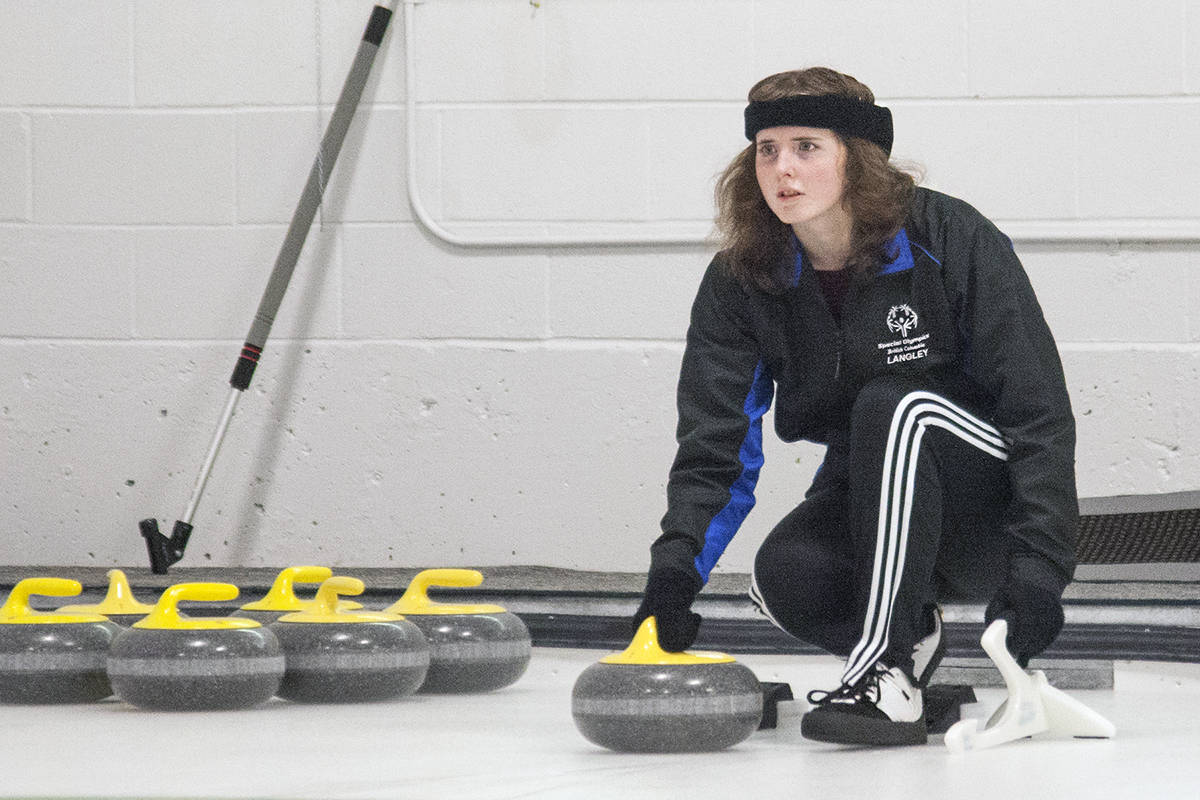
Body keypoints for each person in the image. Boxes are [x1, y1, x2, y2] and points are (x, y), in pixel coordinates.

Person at [631, 67, 1078, 747]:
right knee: (784, 574)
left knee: (899, 406)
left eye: (807, 146)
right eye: (767, 149)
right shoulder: (741, 279)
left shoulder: (950, 237)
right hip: (883, 495)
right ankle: (911, 634)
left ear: (857, 159)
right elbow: (716, 440)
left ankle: (885, 671)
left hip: (985, 503)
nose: (782, 168)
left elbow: (1037, 411)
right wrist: (674, 573)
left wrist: (1040, 571)